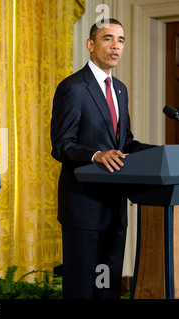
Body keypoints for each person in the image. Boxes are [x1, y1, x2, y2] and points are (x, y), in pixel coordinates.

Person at [50, 19, 154, 299]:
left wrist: (158, 153)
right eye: (108, 39)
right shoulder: (73, 88)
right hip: (83, 206)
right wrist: (96, 155)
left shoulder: (120, 89)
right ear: (91, 45)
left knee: (107, 287)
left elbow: (125, 143)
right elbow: (61, 145)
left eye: (120, 40)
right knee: (83, 288)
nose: (116, 46)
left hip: (114, 205)